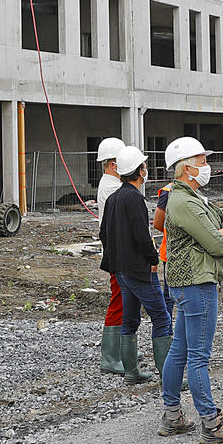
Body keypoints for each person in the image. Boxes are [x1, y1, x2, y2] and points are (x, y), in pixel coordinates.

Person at [158, 136, 223, 444]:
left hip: (186, 283)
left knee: (180, 350)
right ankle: (211, 422)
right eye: (202, 161)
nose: (207, 166)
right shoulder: (185, 202)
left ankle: (172, 416)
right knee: (198, 356)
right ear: (185, 168)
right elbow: (217, 243)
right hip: (197, 282)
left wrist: (222, 233)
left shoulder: (184, 198)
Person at [99, 146, 172, 385]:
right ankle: (168, 376)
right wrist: (152, 259)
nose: (146, 170)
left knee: (130, 319)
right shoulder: (135, 199)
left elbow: (104, 233)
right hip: (139, 270)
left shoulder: (113, 198)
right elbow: (142, 235)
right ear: (140, 172)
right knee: (161, 317)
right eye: (144, 166)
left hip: (120, 270)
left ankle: (132, 372)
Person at [94, 136, 127, 376]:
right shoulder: (113, 187)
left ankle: (123, 348)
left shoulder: (109, 184)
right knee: (119, 301)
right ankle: (111, 355)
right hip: (119, 253)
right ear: (114, 164)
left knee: (126, 301)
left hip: (117, 251)